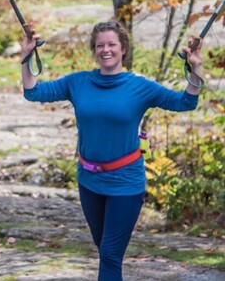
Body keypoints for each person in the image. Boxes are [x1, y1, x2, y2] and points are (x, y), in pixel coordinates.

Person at [21, 21, 203, 281]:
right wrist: (26, 55)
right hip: (89, 181)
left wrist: (195, 69)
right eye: (100, 45)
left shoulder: (139, 87)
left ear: (123, 48)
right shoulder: (78, 83)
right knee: (105, 250)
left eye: (112, 44)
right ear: (94, 50)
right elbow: (33, 92)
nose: (105, 50)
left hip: (126, 183)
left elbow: (186, 102)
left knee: (109, 253)